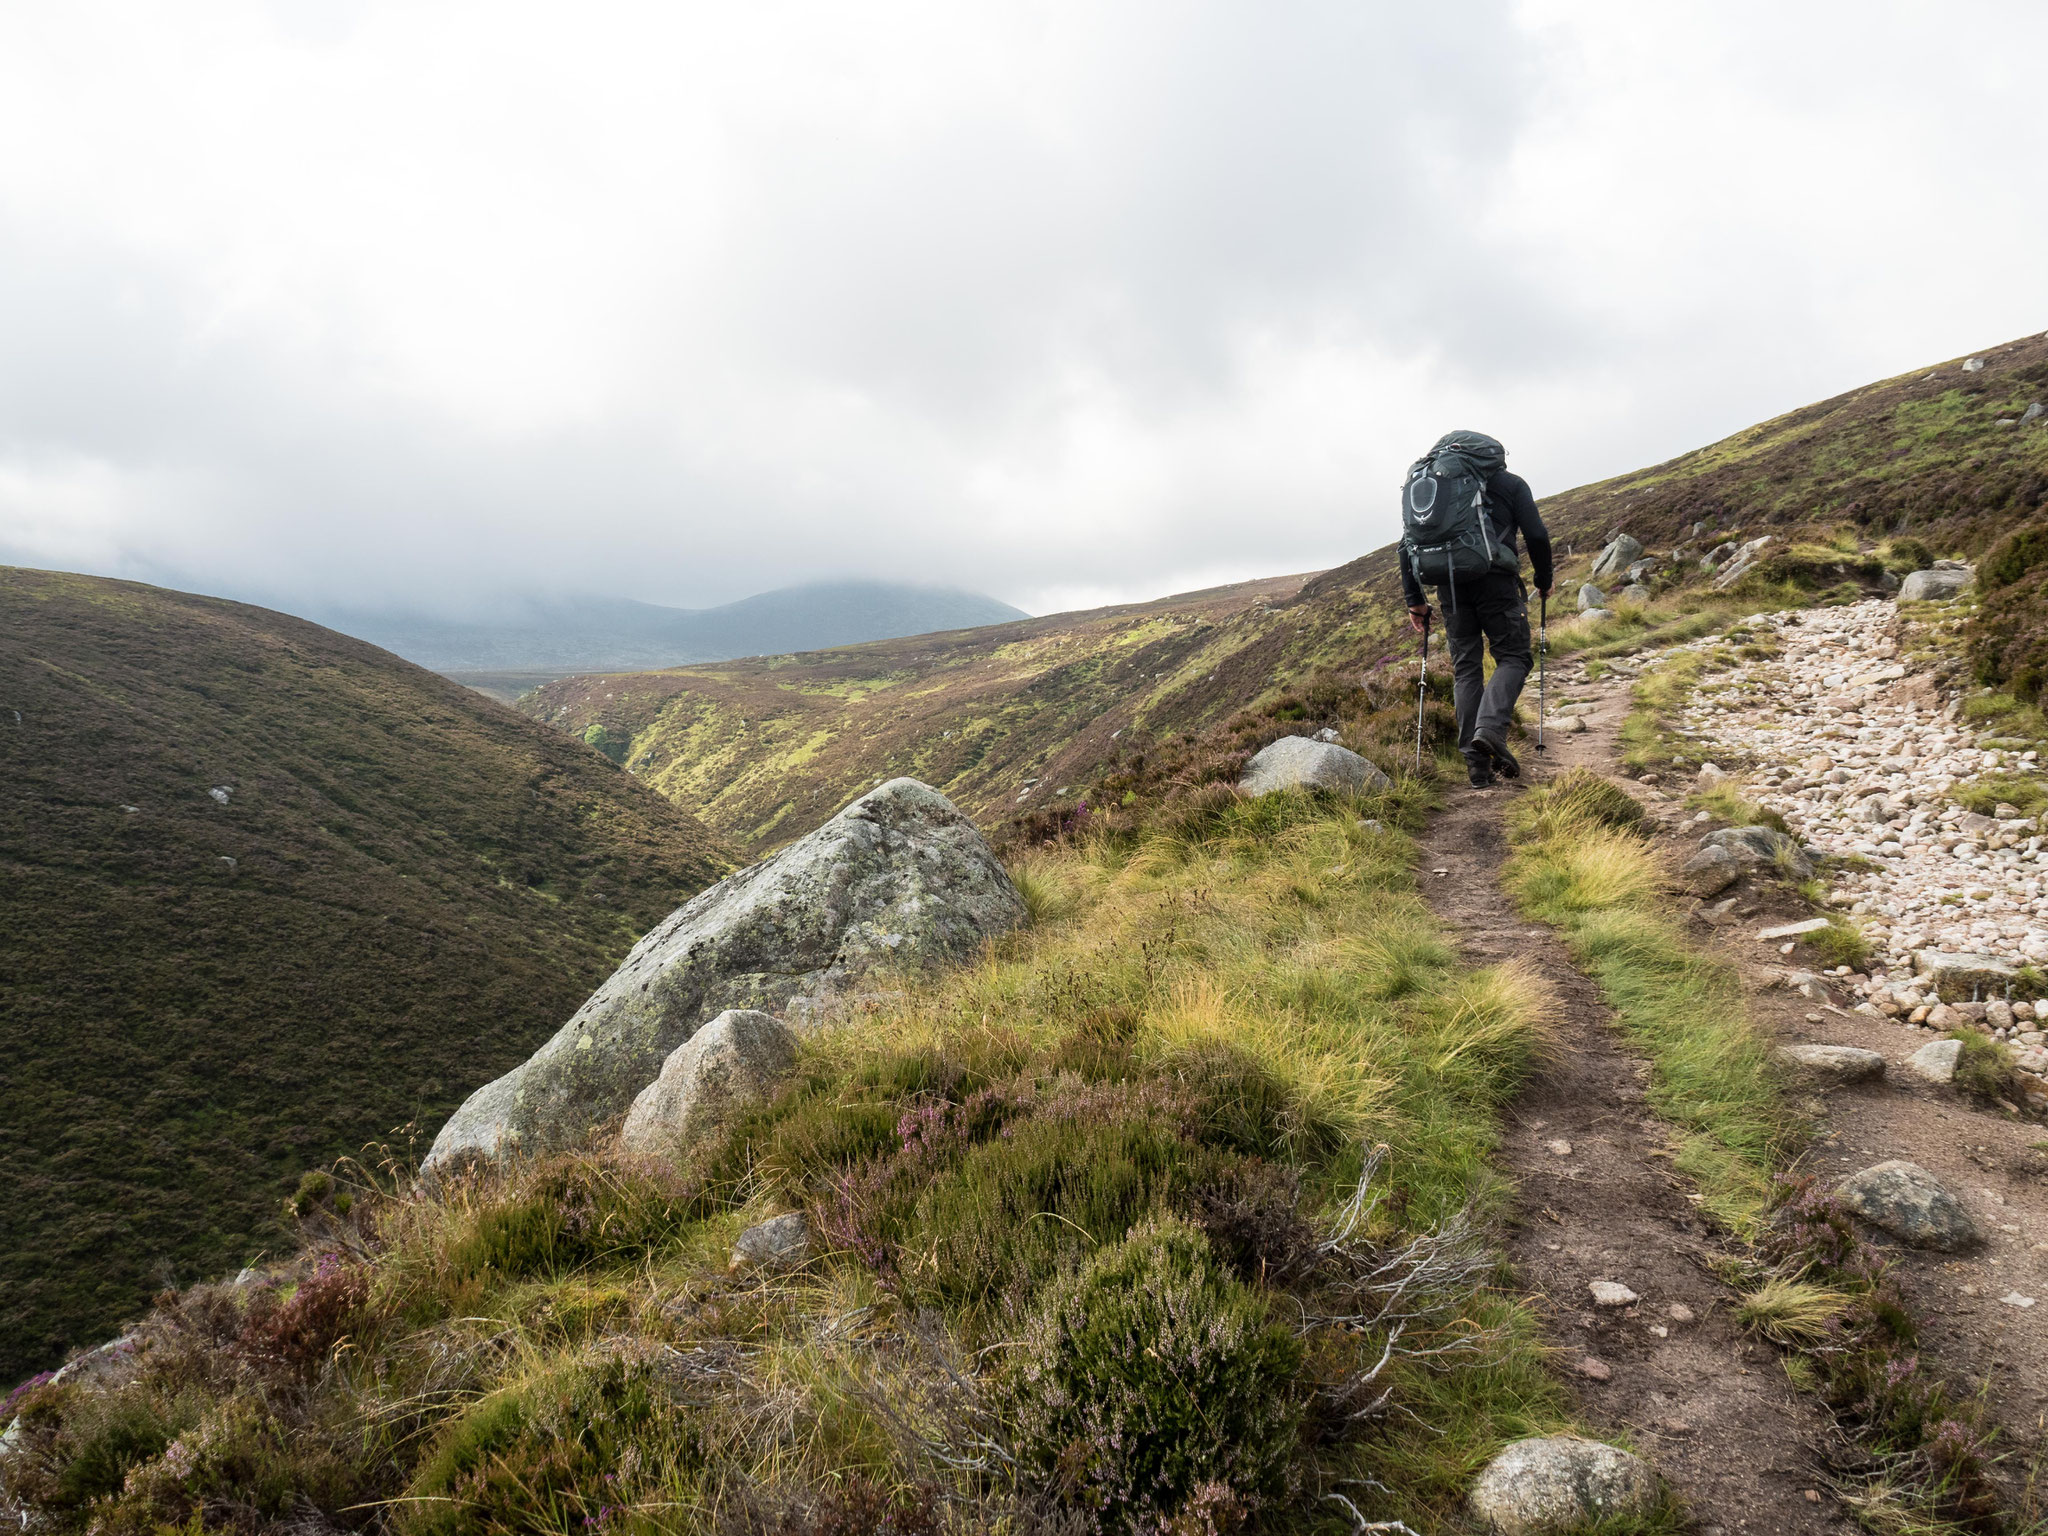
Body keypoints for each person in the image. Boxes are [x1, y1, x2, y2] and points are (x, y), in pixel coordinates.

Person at [1397, 431, 1553, 788]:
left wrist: (1415, 601)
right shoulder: (1510, 484)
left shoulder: (1433, 488)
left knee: (1466, 670)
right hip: (1496, 582)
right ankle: (1491, 730)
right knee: (1513, 657)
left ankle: (1477, 769)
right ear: (1491, 456)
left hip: (1449, 586)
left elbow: (1407, 544)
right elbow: (1537, 536)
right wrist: (1544, 579)